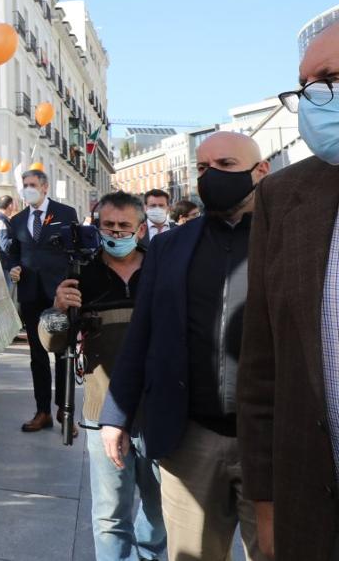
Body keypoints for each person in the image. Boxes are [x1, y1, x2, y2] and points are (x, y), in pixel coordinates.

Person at [100, 132, 270, 561]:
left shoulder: (289, 238)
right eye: (201, 167)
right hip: (190, 440)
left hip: (272, 443)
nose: (210, 176)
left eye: (226, 165)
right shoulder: (171, 246)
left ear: (260, 171)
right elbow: (144, 331)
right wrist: (116, 416)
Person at [239, 25, 339, 561]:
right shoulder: (282, 197)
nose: (312, 101)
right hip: (312, 519)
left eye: (328, 79)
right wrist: (268, 508)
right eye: (304, 86)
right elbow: (262, 371)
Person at [43, 192, 167, 561]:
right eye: (107, 226)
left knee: (158, 510)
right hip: (103, 411)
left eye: (123, 226)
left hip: (158, 410)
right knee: (110, 515)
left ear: (140, 228)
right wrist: (57, 309)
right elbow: (53, 341)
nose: (115, 233)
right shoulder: (81, 273)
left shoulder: (161, 269)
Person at [6, 169, 80, 432]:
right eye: (24, 185)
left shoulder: (65, 213)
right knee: (37, 356)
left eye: (32, 185)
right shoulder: (17, 220)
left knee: (62, 353)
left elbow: (76, 251)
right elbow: (12, 252)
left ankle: (64, 410)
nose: (28, 189)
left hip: (58, 294)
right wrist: (13, 267)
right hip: (30, 294)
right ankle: (42, 411)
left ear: (45, 187)